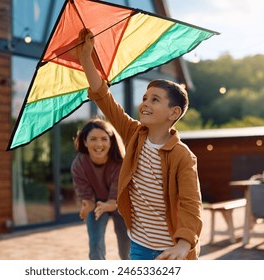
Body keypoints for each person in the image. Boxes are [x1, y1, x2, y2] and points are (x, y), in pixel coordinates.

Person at [75, 30, 203, 260]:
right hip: (140, 245)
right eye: (145, 98)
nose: (145, 103)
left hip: (171, 248)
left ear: (173, 113)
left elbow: (191, 203)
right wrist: (86, 58)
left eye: (155, 99)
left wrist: (184, 244)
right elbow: (104, 98)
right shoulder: (134, 134)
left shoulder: (182, 156)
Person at [71, 117, 130, 260]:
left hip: (121, 203)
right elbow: (88, 199)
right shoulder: (79, 165)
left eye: (104, 139)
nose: (99, 144)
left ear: (111, 141)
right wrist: (87, 205)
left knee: (126, 251)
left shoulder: (121, 163)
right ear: (85, 141)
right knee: (95, 247)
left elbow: (114, 200)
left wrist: (108, 205)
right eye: (93, 139)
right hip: (97, 205)